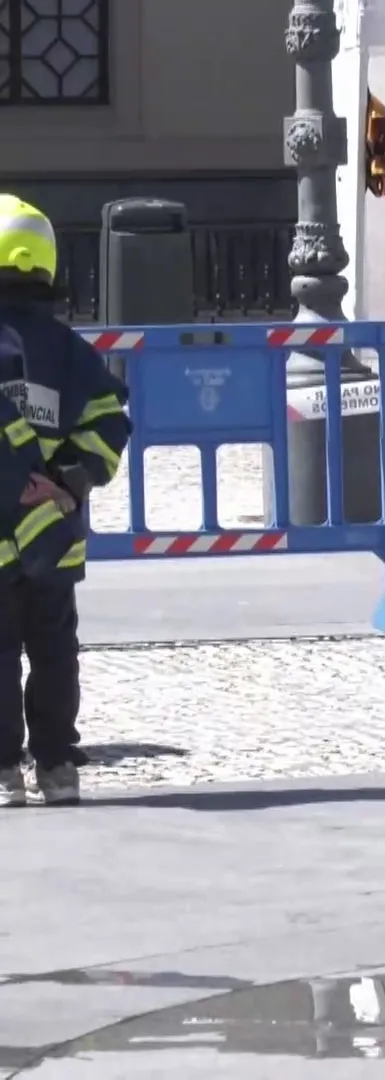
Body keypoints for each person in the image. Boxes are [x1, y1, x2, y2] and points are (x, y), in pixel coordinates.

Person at [0, 194, 130, 809]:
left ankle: (3, 770)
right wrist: (73, 480)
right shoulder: (69, 350)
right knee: (53, 651)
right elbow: (108, 420)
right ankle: (57, 767)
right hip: (54, 533)